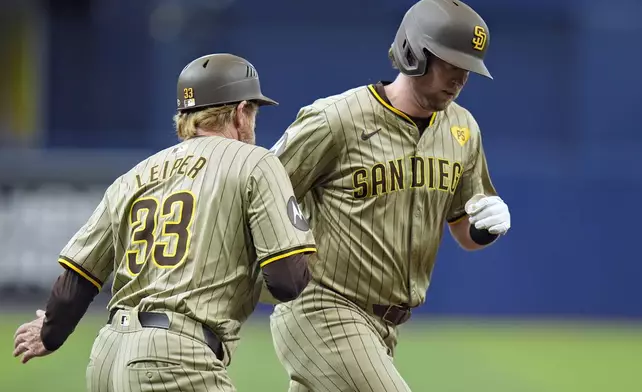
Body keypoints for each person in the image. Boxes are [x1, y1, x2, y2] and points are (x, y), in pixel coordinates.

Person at [13, 53, 316, 392]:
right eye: (254, 111)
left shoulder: (134, 175)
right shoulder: (255, 162)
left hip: (106, 360)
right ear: (239, 112)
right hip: (174, 361)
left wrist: (51, 333)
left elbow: (78, 278)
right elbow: (287, 281)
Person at [266, 0, 512, 390]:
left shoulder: (463, 129)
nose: (460, 79)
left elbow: (464, 229)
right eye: (451, 64)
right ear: (414, 53)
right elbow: (259, 189)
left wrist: (484, 228)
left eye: (468, 69)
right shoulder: (338, 119)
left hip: (384, 329)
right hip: (322, 308)